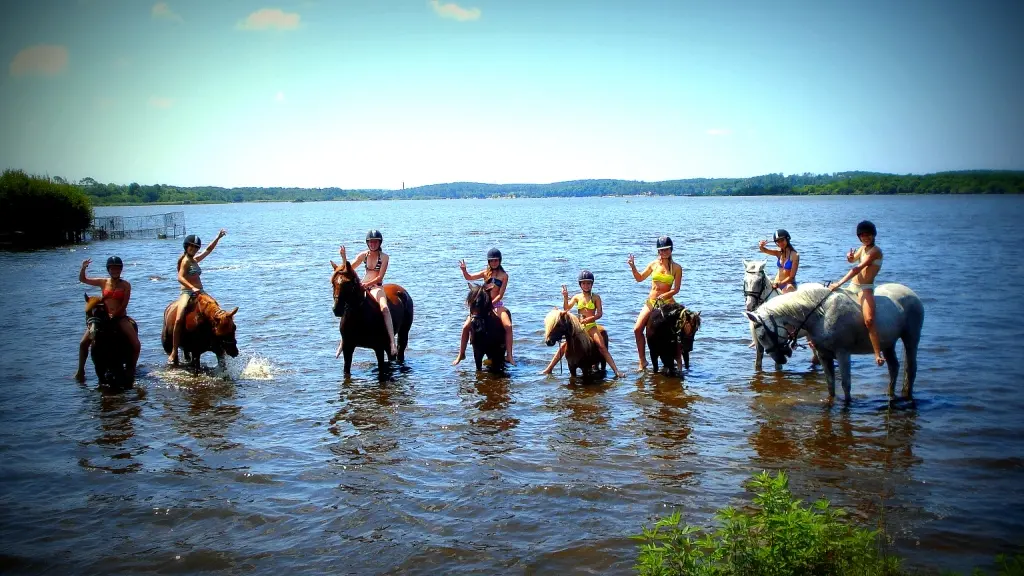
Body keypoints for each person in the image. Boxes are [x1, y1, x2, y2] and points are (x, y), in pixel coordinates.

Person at [540, 270, 623, 378]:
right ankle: (549, 369)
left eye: (588, 283)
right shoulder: (577, 297)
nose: (586, 285)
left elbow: (599, 314)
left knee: (602, 346)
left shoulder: (596, 297)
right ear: (580, 284)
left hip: (591, 326)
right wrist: (565, 297)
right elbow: (566, 308)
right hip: (579, 327)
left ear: (592, 284)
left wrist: (589, 319)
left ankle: (616, 371)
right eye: (583, 283)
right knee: (564, 346)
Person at [830, 220, 885, 366]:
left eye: (868, 235)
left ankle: (877, 354)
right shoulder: (862, 248)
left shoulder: (875, 251)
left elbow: (857, 268)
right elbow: (853, 260)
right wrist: (849, 257)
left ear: (873, 235)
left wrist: (839, 283)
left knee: (869, 320)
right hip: (852, 286)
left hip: (865, 288)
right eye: (862, 235)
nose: (865, 237)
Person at [76, 256, 141, 381]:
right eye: (112, 269)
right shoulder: (103, 282)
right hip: (103, 317)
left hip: (120, 318)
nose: (115, 271)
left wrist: (115, 315)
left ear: (121, 270)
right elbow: (83, 279)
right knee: (83, 343)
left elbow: (124, 304)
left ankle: (131, 367)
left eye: (117, 268)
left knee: (136, 344)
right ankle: (80, 371)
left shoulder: (126, 285)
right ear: (108, 270)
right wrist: (83, 268)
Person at [168, 230, 226, 365]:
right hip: (187, 292)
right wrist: (191, 288)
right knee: (179, 318)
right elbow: (180, 277)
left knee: (217, 310)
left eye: (196, 247)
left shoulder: (194, 260)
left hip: (200, 292)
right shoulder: (185, 261)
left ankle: (221, 343)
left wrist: (217, 237)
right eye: (192, 247)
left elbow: (208, 250)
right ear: (186, 247)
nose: (194, 249)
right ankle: (174, 351)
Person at [338, 229, 398, 357]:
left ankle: (392, 342)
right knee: (348, 306)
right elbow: (349, 269)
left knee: (385, 308)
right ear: (367, 243)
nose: (373, 244)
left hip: (376, 287)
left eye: (375, 242)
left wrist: (368, 284)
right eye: (371, 242)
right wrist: (344, 258)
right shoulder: (363, 255)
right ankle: (343, 340)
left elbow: (380, 277)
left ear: (379, 243)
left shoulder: (384, 257)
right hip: (362, 287)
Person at [627, 236, 683, 372]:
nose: (664, 252)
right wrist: (633, 267)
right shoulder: (653, 264)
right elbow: (639, 278)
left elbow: (676, 289)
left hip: (667, 302)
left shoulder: (676, 268)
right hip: (652, 302)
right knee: (637, 329)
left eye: (666, 249)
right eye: (661, 250)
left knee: (679, 330)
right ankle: (642, 360)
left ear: (671, 250)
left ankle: (679, 360)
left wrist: (665, 295)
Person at [453, 248, 514, 366]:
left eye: (496, 260)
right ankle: (461, 354)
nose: (494, 263)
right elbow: (469, 277)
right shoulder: (485, 273)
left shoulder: (504, 276)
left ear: (500, 261)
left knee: (508, 326)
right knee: (466, 326)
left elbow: (500, 295)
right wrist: (464, 270)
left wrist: (491, 303)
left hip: (496, 304)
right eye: (491, 261)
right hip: (483, 305)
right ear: (488, 262)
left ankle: (509, 355)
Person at [758, 229, 800, 293]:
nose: (780, 243)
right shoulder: (778, 252)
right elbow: (764, 250)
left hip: (788, 285)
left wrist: (779, 284)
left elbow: (791, 277)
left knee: (787, 291)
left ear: (787, 239)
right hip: (776, 283)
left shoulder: (795, 255)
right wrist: (761, 245)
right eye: (778, 241)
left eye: (782, 240)